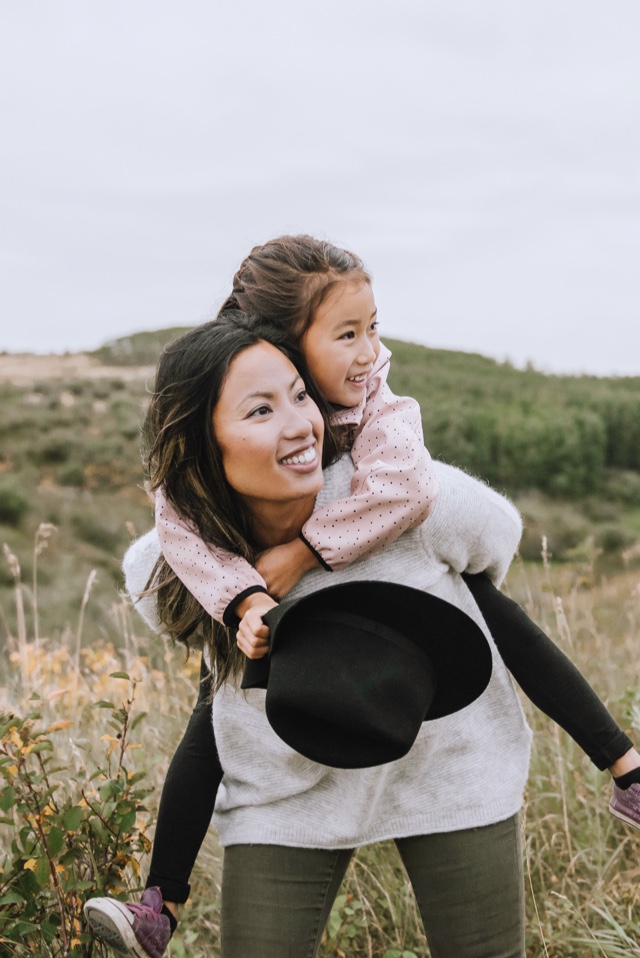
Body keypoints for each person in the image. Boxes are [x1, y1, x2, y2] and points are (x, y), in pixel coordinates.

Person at [85, 236, 640, 950]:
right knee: (215, 692)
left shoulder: (398, 465)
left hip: (445, 761)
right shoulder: (198, 528)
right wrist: (239, 587)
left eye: (371, 329)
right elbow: (164, 556)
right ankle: (159, 901)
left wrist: (315, 548)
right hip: (287, 783)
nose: (370, 352)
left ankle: (625, 763)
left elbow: (494, 542)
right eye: (347, 334)